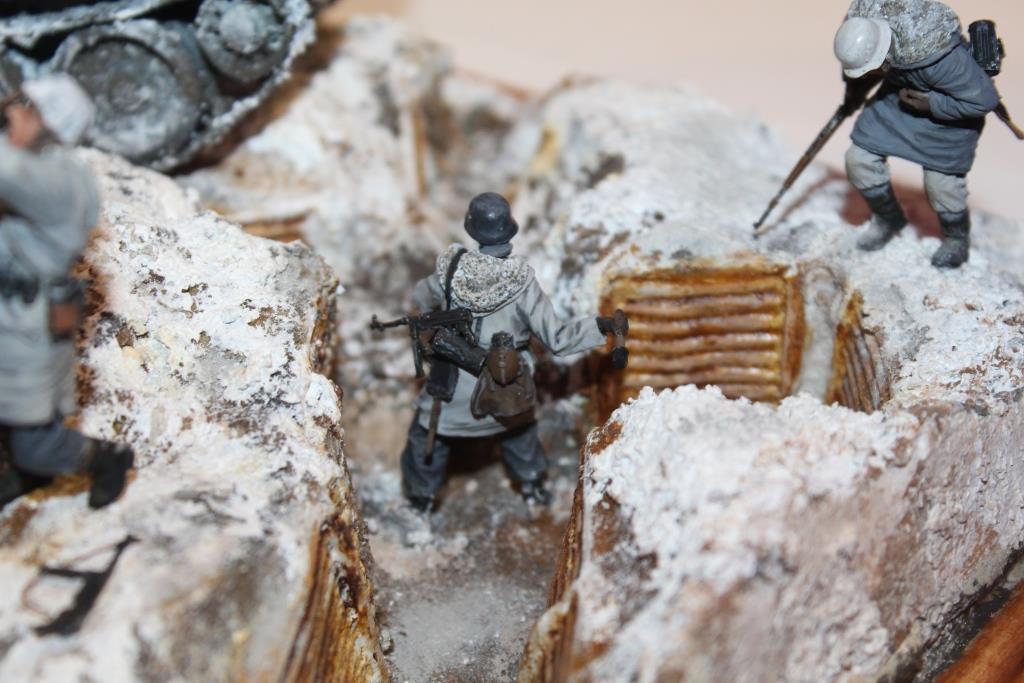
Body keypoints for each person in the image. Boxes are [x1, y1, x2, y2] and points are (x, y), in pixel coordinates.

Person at [400, 192, 625, 512]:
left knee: (426, 436)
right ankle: (533, 484)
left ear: (472, 229)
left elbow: (422, 298)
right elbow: (558, 339)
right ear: (508, 231)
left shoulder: (450, 272)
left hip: (453, 392)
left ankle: (421, 498)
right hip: (505, 388)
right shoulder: (524, 286)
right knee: (521, 432)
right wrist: (600, 327)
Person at [0, 74, 133, 511]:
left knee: (34, 437)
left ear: (45, 122)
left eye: (23, 109)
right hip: (13, 309)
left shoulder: (56, 176)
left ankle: (103, 458)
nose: (11, 115)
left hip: (27, 321)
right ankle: (21, 467)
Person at [835, 0, 1000, 268]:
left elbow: (983, 101)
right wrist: (853, 94)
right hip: (898, 97)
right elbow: (863, 71)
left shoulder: (941, 58)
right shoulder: (862, 22)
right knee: (859, 159)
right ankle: (888, 219)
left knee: (941, 185)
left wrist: (932, 104)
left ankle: (957, 239)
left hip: (952, 113)